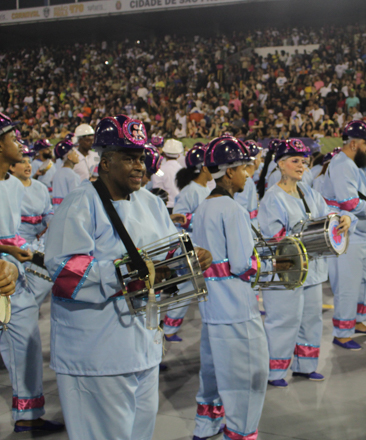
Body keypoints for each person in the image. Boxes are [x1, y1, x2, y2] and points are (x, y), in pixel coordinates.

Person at [44, 115, 211, 440]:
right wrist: (128, 274)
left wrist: (189, 258)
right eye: (129, 158)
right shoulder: (80, 203)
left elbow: (165, 255)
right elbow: (64, 273)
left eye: (142, 158)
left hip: (142, 346)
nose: (139, 166)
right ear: (105, 162)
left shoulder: (150, 203)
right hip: (96, 353)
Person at [258, 139, 355, 387]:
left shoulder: (311, 194)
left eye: (304, 161)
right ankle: (275, 372)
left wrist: (341, 220)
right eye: (295, 161)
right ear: (280, 164)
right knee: (283, 320)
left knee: (311, 320)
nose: (302, 165)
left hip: (313, 270)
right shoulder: (272, 197)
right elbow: (274, 237)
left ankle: (306, 366)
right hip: (287, 272)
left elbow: (327, 217)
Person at [190, 136, 268, 440]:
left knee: (212, 371)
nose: (248, 174)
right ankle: (240, 432)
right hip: (236, 306)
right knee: (246, 378)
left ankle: (206, 426)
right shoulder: (233, 210)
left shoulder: (203, 207)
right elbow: (241, 264)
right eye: (243, 168)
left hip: (211, 304)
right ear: (229, 172)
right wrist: (266, 265)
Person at [0, 118, 64, 433]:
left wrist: (17, 253)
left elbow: (10, 235)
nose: (20, 144)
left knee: (24, 339)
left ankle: (28, 413)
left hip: (12, 276)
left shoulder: (11, 186)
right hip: (8, 268)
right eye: (13, 139)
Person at [319, 120, 366, 350]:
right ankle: (342, 332)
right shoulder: (341, 163)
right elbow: (350, 202)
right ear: (353, 143)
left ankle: (360, 321)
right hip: (347, 232)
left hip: (364, 230)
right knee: (348, 284)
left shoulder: (360, 163)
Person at [162, 144, 213, 341]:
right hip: (190, 246)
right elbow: (179, 218)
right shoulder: (191, 191)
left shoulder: (204, 188)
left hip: (201, 246)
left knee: (191, 288)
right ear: (203, 168)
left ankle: (169, 328)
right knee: (185, 288)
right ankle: (168, 329)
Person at [10, 142, 53, 306]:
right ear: (12, 167)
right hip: (16, 246)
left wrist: (50, 222)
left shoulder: (40, 187)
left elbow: (48, 211)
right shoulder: (8, 188)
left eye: (29, 161)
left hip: (38, 242)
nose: (28, 166)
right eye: (23, 162)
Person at [234, 139, 262, 225]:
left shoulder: (248, 180)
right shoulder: (246, 181)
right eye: (260, 158)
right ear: (255, 161)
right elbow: (240, 211)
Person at [152, 139, 184, 212]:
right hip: (179, 207)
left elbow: (157, 190)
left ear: (165, 153)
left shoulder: (159, 171)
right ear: (179, 155)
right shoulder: (182, 170)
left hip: (164, 207)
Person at [51, 139, 81, 210]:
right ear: (69, 157)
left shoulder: (57, 173)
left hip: (56, 213)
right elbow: (75, 201)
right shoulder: (73, 176)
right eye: (75, 153)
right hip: (67, 214)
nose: (77, 155)